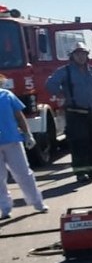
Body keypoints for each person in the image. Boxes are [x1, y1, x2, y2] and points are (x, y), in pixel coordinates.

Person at [45, 42, 92, 182]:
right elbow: (50, 84)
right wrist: (60, 93)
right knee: (79, 142)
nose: (81, 57)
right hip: (75, 113)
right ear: (72, 56)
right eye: (77, 54)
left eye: (83, 54)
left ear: (87, 55)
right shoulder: (65, 71)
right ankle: (81, 173)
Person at [0, 73, 48, 219]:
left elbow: (19, 116)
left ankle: (37, 202)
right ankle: (5, 207)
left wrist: (28, 134)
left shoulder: (7, 95)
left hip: (12, 140)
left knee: (23, 173)